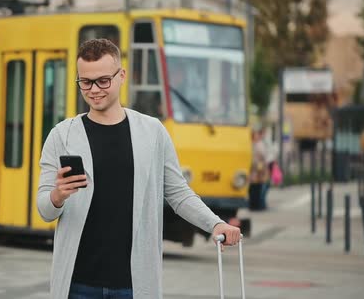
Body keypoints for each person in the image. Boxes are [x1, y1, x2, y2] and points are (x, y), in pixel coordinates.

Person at [37, 39, 240, 299]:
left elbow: (179, 194)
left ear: (121, 76)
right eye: (85, 82)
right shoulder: (61, 135)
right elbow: (44, 209)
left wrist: (215, 224)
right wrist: (57, 196)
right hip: (77, 284)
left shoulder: (152, 132)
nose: (94, 90)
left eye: (103, 81)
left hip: (134, 284)